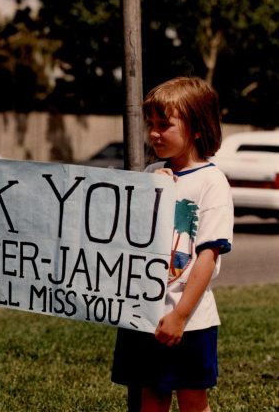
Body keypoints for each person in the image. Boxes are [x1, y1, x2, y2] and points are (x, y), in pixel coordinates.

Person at [111, 77, 234, 412]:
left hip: (190, 321)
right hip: (144, 317)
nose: (154, 133)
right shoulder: (152, 171)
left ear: (196, 128)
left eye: (165, 125)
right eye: (151, 124)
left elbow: (207, 257)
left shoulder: (211, 182)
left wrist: (180, 314)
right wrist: (150, 190)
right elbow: (127, 236)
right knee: (151, 398)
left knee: (193, 401)